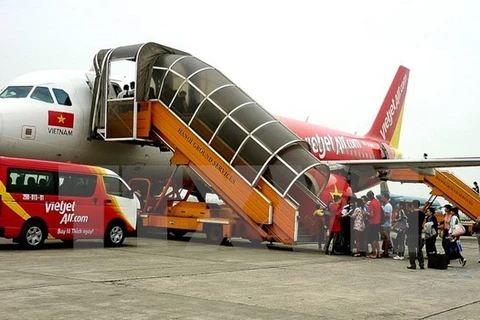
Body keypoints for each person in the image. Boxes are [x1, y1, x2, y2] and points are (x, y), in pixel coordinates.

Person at [406, 200, 425, 270]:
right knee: (419, 249)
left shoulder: (410, 214)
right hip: (419, 233)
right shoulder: (422, 214)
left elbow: (408, 224)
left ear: (413, 206)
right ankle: (421, 264)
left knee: (411, 249)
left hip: (411, 233)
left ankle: (413, 264)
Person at [366, 191, 381, 259]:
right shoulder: (378, 202)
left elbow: (371, 214)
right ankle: (378, 253)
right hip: (378, 222)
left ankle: (374, 252)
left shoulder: (371, 203)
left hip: (373, 222)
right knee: (377, 239)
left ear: (369, 197)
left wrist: (366, 213)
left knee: (372, 239)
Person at [380, 193, 392, 257]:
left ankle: (386, 252)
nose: (382, 199)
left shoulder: (387, 206)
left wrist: (382, 215)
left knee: (386, 239)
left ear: (386, 198)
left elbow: (387, 215)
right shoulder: (387, 205)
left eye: (383, 198)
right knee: (385, 239)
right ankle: (385, 251)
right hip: (386, 224)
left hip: (386, 224)